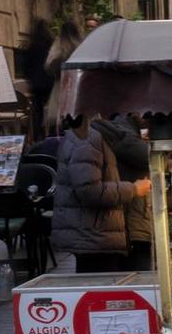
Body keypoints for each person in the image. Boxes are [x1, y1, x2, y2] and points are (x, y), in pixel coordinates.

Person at [53, 113, 147, 273]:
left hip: (100, 234)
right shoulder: (87, 137)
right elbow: (88, 190)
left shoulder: (99, 134)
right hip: (94, 237)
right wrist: (134, 189)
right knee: (100, 293)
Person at [90, 114, 153, 271]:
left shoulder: (117, 132)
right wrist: (134, 189)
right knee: (134, 282)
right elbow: (149, 157)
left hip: (122, 227)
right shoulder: (118, 134)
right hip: (122, 228)